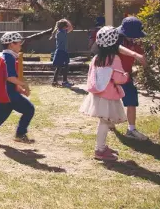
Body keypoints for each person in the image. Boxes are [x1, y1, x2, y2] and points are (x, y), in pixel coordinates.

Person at [79, 26, 128, 161]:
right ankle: (99, 150)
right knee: (104, 123)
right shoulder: (114, 58)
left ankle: (102, 146)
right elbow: (119, 79)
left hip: (98, 95)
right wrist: (127, 76)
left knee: (103, 122)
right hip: (109, 96)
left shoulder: (96, 57)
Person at [0, 32, 35, 144]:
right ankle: (20, 134)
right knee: (29, 109)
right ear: (11, 45)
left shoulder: (8, 57)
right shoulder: (9, 58)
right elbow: (10, 77)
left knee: (1, 115)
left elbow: (7, 78)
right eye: (18, 43)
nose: (20, 46)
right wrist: (24, 85)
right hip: (7, 94)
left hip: (4, 92)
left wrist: (19, 89)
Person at [117, 16, 149, 141]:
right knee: (111, 102)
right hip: (113, 76)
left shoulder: (136, 42)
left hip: (127, 76)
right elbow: (118, 48)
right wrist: (135, 55)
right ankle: (108, 123)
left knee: (131, 101)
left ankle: (131, 129)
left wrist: (146, 65)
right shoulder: (116, 39)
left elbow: (143, 56)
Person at [50, 19, 74, 87]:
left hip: (63, 52)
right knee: (61, 67)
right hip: (61, 52)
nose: (67, 27)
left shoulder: (61, 31)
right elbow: (71, 27)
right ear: (64, 27)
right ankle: (63, 82)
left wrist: (64, 21)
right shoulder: (61, 32)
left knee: (62, 67)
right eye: (66, 26)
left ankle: (58, 82)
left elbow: (70, 28)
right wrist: (66, 20)